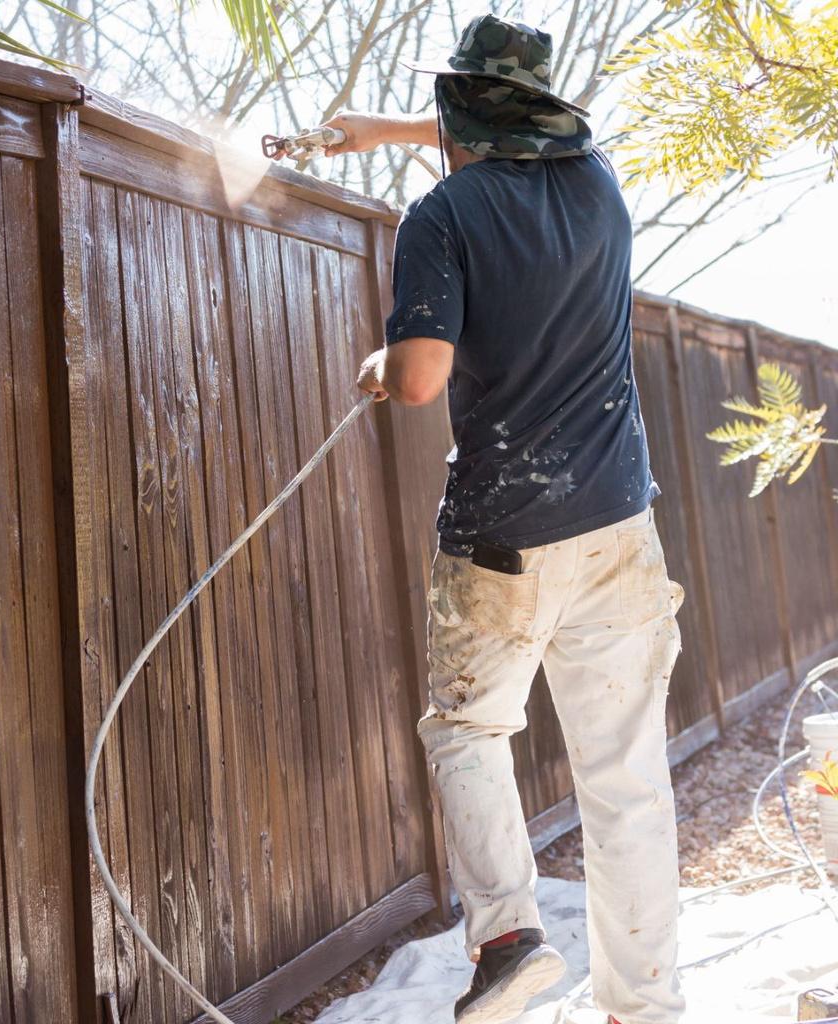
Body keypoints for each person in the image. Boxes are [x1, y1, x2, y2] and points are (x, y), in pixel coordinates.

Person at [329, 15, 687, 1024]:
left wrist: (385, 365)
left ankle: (508, 938)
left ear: (460, 108)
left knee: (466, 731)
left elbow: (420, 377)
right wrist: (384, 132)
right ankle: (645, 1007)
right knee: (624, 782)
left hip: (503, 537)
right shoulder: (601, 188)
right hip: (620, 523)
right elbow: (509, 139)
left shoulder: (439, 218)